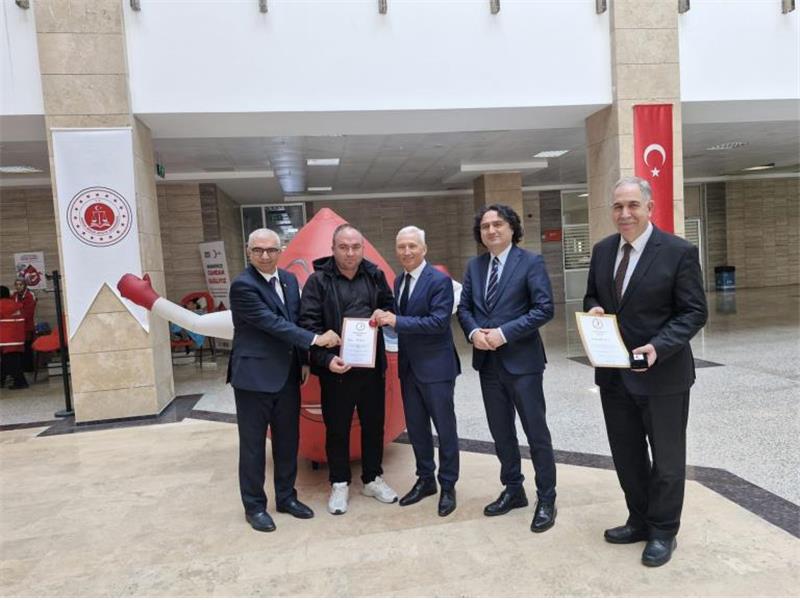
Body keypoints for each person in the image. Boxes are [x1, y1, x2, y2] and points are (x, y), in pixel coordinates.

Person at [583, 176, 707, 567]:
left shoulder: (678, 252)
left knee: (667, 460)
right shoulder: (603, 251)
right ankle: (638, 520)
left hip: (663, 376)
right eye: (618, 206)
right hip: (615, 376)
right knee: (628, 456)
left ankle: (663, 531)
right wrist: (594, 309)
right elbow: (592, 294)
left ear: (650, 208)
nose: (625, 213)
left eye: (633, 205)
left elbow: (694, 312)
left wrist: (659, 346)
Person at [228, 228, 341, 532]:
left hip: (288, 376)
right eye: (258, 250)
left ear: (281, 251)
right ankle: (254, 507)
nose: (265, 255)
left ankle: (286, 497)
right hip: (253, 379)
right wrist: (316, 340)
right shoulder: (242, 285)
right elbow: (272, 324)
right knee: (253, 447)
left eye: (271, 250)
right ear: (248, 252)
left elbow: (295, 320)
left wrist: (303, 360)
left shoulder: (290, 280)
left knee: (288, 442)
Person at [457, 204, 557, 533]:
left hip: (523, 363)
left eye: (498, 224)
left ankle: (547, 497)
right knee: (501, 432)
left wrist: (503, 333)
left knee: (535, 433)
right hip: (488, 364)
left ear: (512, 228)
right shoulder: (475, 266)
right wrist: (474, 332)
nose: (491, 230)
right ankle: (514, 489)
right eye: (485, 226)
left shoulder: (531, 262)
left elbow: (544, 309)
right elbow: (465, 308)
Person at [298, 223, 398, 515]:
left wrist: (384, 314)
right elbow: (308, 326)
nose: (350, 253)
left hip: (371, 368)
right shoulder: (318, 281)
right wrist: (326, 360)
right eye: (343, 247)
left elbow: (391, 309)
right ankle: (339, 482)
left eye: (355, 247)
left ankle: (372, 478)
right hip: (336, 370)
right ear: (333, 249)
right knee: (337, 429)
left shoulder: (375, 275)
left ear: (363, 248)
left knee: (374, 426)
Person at [372, 226, 461, 517]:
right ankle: (426, 480)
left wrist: (395, 321)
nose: (406, 251)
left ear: (424, 249)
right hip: (409, 368)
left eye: (412, 246)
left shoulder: (440, 280)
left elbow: (438, 323)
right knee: (417, 428)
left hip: (437, 368)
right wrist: (382, 319)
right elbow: (400, 320)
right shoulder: (399, 281)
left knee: (445, 429)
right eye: (401, 247)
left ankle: (447, 485)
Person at [0, 286, 28, 389]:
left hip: (6, 339)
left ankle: (21, 382)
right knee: (7, 360)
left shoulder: (1, 305)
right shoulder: (16, 305)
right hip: (18, 338)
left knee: (11, 362)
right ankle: (1, 380)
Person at [13, 278, 36, 372]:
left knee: (27, 348)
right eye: (16, 285)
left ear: (25, 285)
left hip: (27, 327)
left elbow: (28, 313)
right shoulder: (14, 295)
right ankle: (21, 368)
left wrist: (17, 312)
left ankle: (28, 368)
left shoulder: (30, 295)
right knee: (19, 349)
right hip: (16, 327)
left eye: (20, 284)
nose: (18, 286)